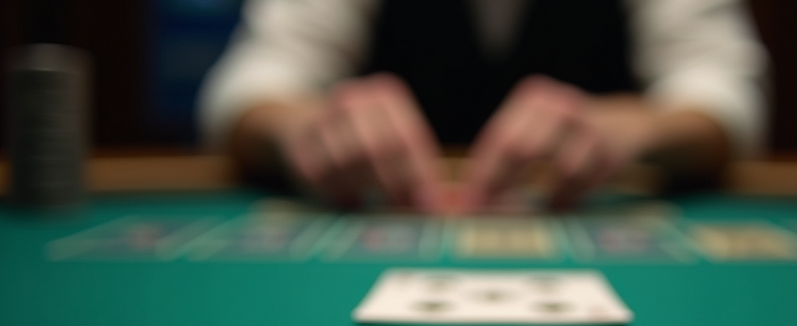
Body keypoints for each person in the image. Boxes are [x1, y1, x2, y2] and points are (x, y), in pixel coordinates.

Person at [198, 0, 768, 213]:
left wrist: (648, 126)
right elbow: (250, 84)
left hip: (587, 210)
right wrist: (301, 123)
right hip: (392, 212)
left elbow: (723, 87)